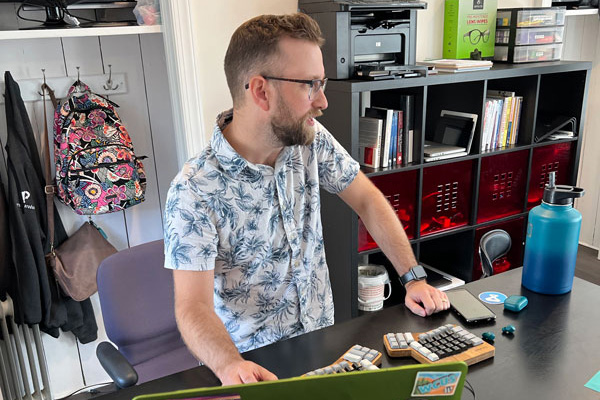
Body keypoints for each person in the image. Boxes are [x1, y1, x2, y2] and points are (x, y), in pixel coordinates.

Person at [163, 13, 449, 386]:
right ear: (261, 90)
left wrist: (413, 278)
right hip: (253, 368)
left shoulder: (309, 138)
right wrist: (229, 366)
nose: (323, 101)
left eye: (322, 83)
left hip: (323, 342)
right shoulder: (193, 191)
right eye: (310, 85)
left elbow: (368, 200)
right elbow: (192, 306)